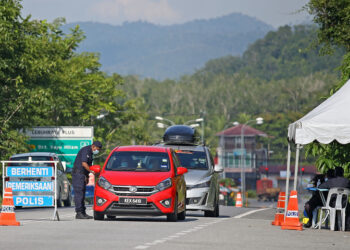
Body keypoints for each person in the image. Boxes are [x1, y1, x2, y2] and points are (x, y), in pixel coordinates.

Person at [72, 141, 102, 219]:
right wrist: (91, 171)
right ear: (93, 146)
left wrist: (87, 176)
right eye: (97, 149)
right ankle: (79, 213)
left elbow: (89, 165)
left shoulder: (91, 153)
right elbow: (84, 164)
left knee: (82, 193)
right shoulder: (86, 150)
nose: (97, 151)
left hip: (83, 174)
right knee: (79, 193)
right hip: (78, 174)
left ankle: (83, 212)